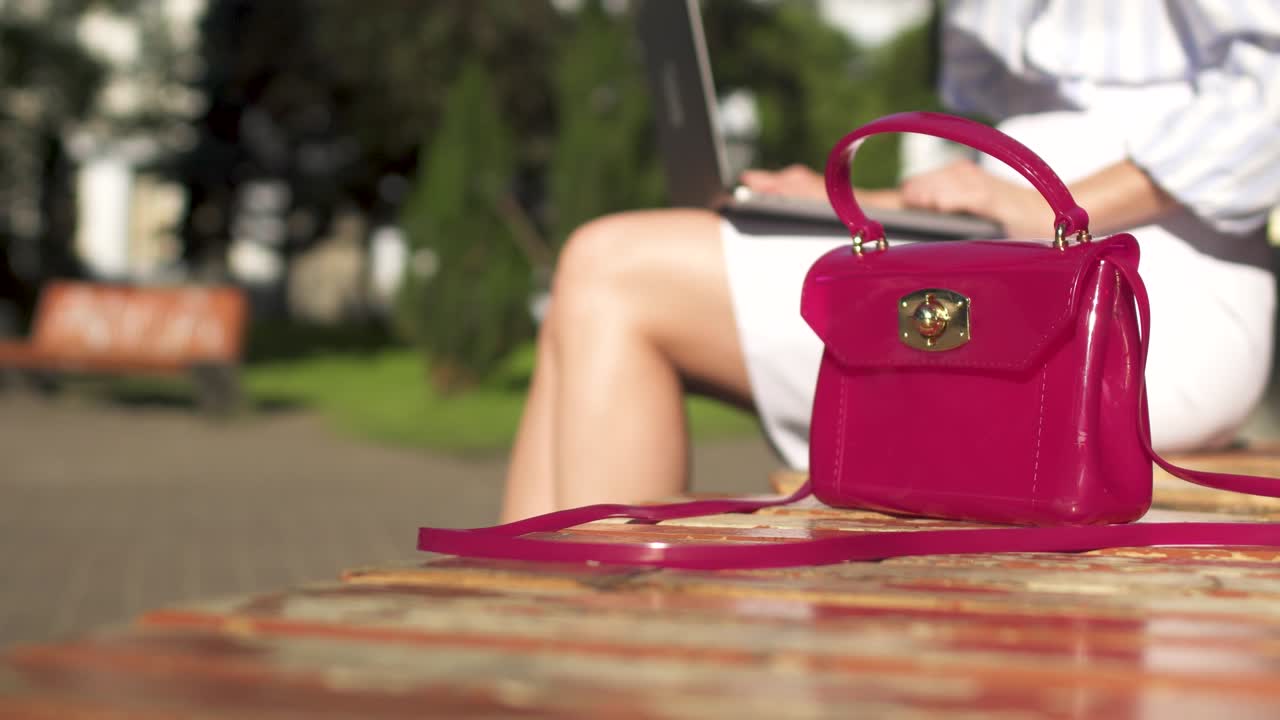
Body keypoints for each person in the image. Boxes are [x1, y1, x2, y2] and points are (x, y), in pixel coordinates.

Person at [501, 0, 1280, 522]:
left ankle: (581, 671)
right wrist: (874, 205)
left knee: (614, 273)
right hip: (1004, 239)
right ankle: (514, 661)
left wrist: (1059, 202)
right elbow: (993, 149)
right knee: (588, 276)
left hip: (1148, 266)